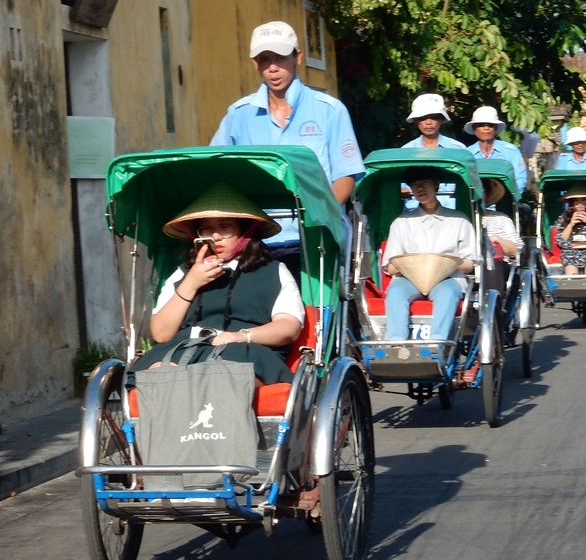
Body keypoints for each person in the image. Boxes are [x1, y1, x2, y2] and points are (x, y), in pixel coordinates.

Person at [129, 180, 305, 387]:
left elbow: (288, 328)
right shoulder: (182, 274)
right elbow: (161, 333)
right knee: (160, 374)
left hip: (245, 353)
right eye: (206, 229)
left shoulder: (273, 271)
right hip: (184, 350)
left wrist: (242, 336)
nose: (215, 236)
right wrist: (191, 283)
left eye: (225, 227)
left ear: (246, 231)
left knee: (223, 377)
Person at [211, 21, 363, 205]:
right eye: (264, 59)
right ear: (255, 64)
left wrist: (323, 216)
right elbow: (216, 170)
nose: (273, 68)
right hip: (258, 230)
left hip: (319, 228)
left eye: (280, 58)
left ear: (297, 57)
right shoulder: (238, 115)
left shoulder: (330, 110)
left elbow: (345, 174)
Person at [382, 167, 479, 341]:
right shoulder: (401, 223)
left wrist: (443, 264)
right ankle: (395, 345)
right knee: (395, 292)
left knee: (448, 293)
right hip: (409, 279)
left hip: (447, 278)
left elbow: (470, 263)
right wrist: (412, 264)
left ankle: (438, 343)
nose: (420, 189)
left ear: (436, 185)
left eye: (425, 183)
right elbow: (390, 267)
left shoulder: (459, 220)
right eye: (415, 185)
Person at [466, 107, 528, 193]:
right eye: (481, 125)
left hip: (506, 201)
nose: (486, 128)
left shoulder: (511, 151)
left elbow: (520, 179)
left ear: (496, 128)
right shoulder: (467, 154)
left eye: (490, 125)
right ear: (474, 128)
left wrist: (509, 197)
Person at [480, 177, 522, 295]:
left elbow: (515, 250)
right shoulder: (458, 219)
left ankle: (492, 307)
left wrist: (495, 240)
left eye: (481, 190)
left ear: (486, 194)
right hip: (465, 264)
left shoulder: (500, 218)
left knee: (491, 266)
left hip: (496, 264)